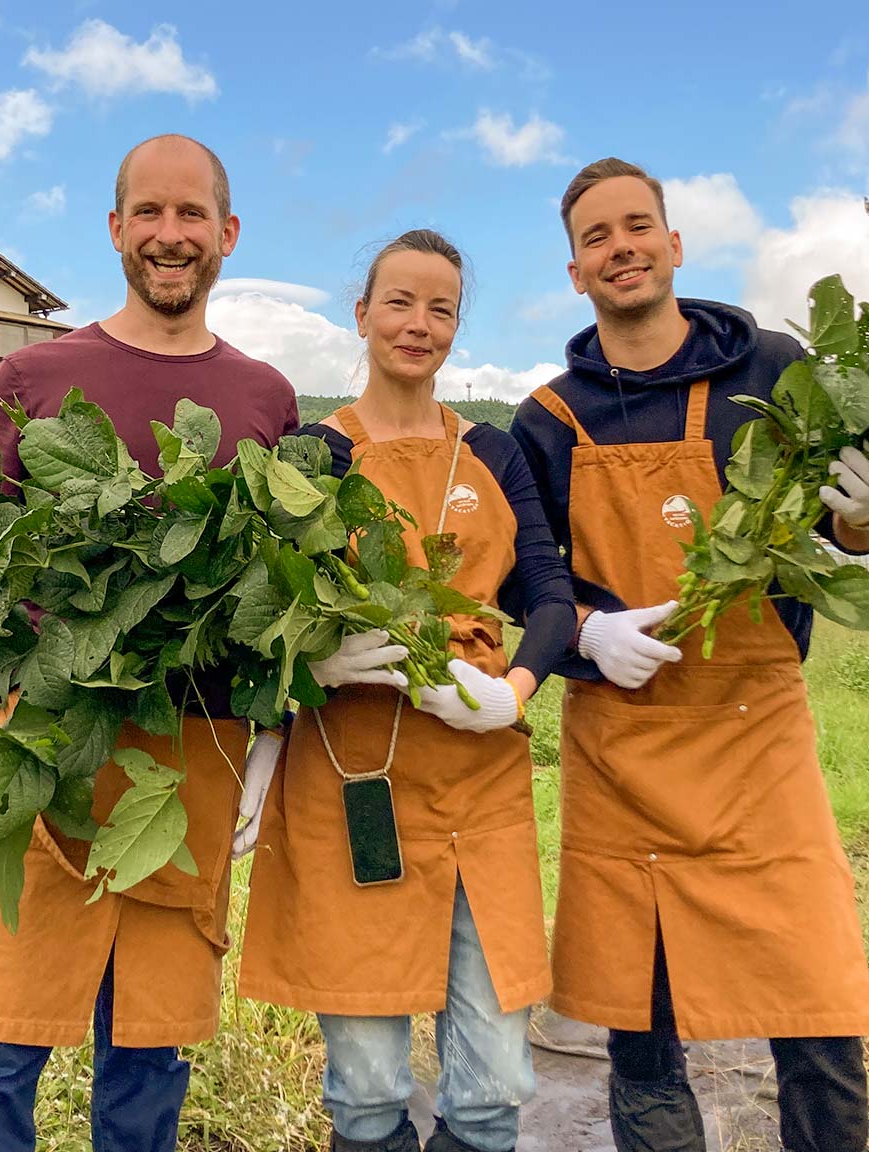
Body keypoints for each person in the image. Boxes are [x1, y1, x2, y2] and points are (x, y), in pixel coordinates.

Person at [0, 134, 298, 1151]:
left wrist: (268, 742)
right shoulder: (36, 373)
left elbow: (279, 593)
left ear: (227, 234)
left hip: (187, 761)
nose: (170, 234)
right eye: (148, 212)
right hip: (39, 744)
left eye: (192, 214)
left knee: (148, 1065)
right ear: (115, 229)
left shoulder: (267, 399)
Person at [509, 158, 869, 1152]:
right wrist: (589, 635)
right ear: (575, 271)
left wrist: (867, 516)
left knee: (816, 1013)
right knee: (642, 1038)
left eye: (637, 226)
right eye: (597, 237)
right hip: (620, 749)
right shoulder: (546, 422)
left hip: (755, 731)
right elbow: (524, 575)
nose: (620, 247)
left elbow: (836, 529)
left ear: (674, 244)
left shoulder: (773, 369)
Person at [237, 229, 576, 1152]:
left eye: (441, 309)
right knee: (369, 1086)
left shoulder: (495, 455)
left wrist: (512, 689)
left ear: (457, 327)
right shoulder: (311, 454)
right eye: (400, 302)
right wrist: (312, 667)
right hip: (351, 781)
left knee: (494, 1085)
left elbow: (549, 595)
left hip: (480, 784)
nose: (418, 325)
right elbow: (255, 613)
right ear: (362, 313)